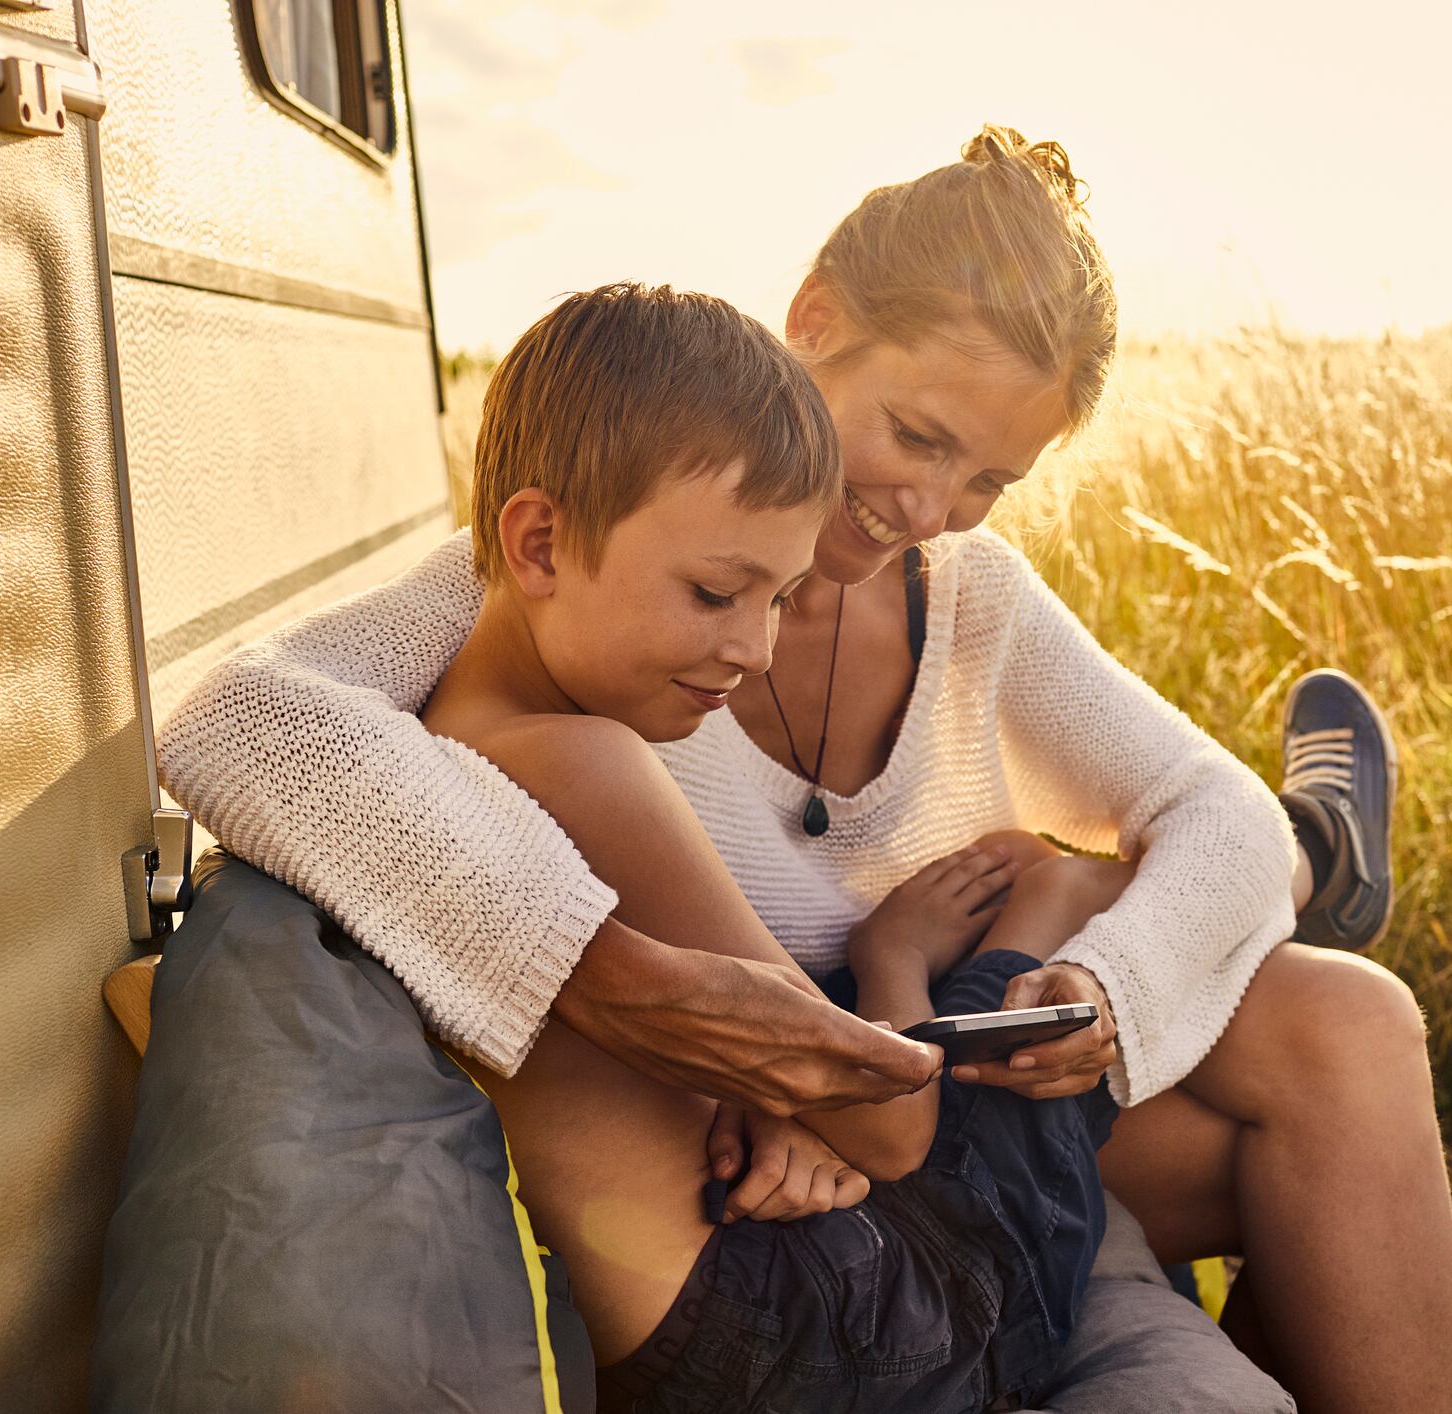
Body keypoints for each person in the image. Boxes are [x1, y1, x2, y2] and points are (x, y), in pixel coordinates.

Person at [161, 126, 1452, 1411]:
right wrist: (620, 985)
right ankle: (1316, 858)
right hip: (840, 1165)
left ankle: (1304, 860)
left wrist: (1111, 994)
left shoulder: (970, 599)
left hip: (919, 1092)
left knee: (1347, 1016)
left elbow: (1208, 810)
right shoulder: (583, 562)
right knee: (1057, 889)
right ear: (816, 319)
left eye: (989, 481)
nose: (929, 508)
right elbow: (237, 724)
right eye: (915, 435)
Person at [416, 279, 1126, 1410]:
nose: (752, 649)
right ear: (538, 541)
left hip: (754, 1304)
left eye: (784, 600)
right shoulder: (589, 765)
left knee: (1025, 873)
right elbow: (889, 1128)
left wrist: (781, 1099)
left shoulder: (444, 726)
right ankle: (1109, 889)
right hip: (845, 1330)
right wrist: (893, 957)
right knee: (1043, 884)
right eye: (715, 591)